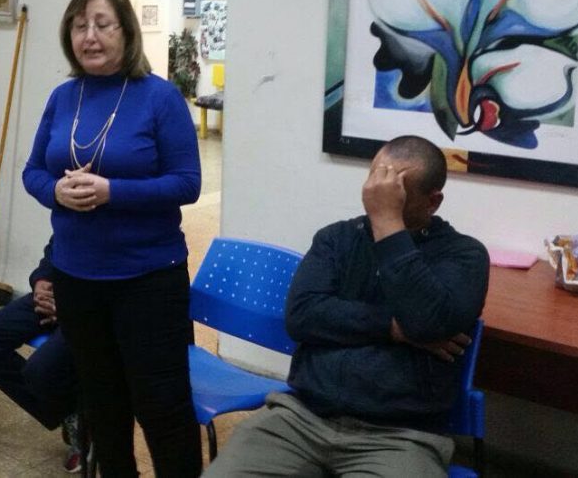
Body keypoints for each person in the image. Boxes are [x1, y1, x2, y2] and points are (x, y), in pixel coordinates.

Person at [205, 135, 490, 477]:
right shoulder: (336, 239)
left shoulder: (465, 255)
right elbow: (302, 316)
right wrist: (393, 328)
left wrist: (388, 225)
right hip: (302, 417)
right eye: (376, 181)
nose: (379, 196)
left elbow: (426, 322)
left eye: (395, 191)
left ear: (433, 202)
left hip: (400, 436)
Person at [23, 0, 203, 477]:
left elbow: (187, 183)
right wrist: (55, 192)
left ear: (126, 32)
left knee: (162, 407)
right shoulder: (64, 97)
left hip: (148, 279)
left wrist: (112, 192)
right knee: (102, 403)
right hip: (76, 277)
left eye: (102, 25)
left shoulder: (160, 98)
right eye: (79, 26)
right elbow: (33, 172)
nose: (90, 36)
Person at [0, 238, 86, 472]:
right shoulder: (74, 215)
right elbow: (56, 246)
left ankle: (85, 427)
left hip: (96, 309)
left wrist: (72, 309)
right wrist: (42, 280)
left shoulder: (129, 221)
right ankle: (71, 414)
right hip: (56, 294)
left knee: (41, 371)